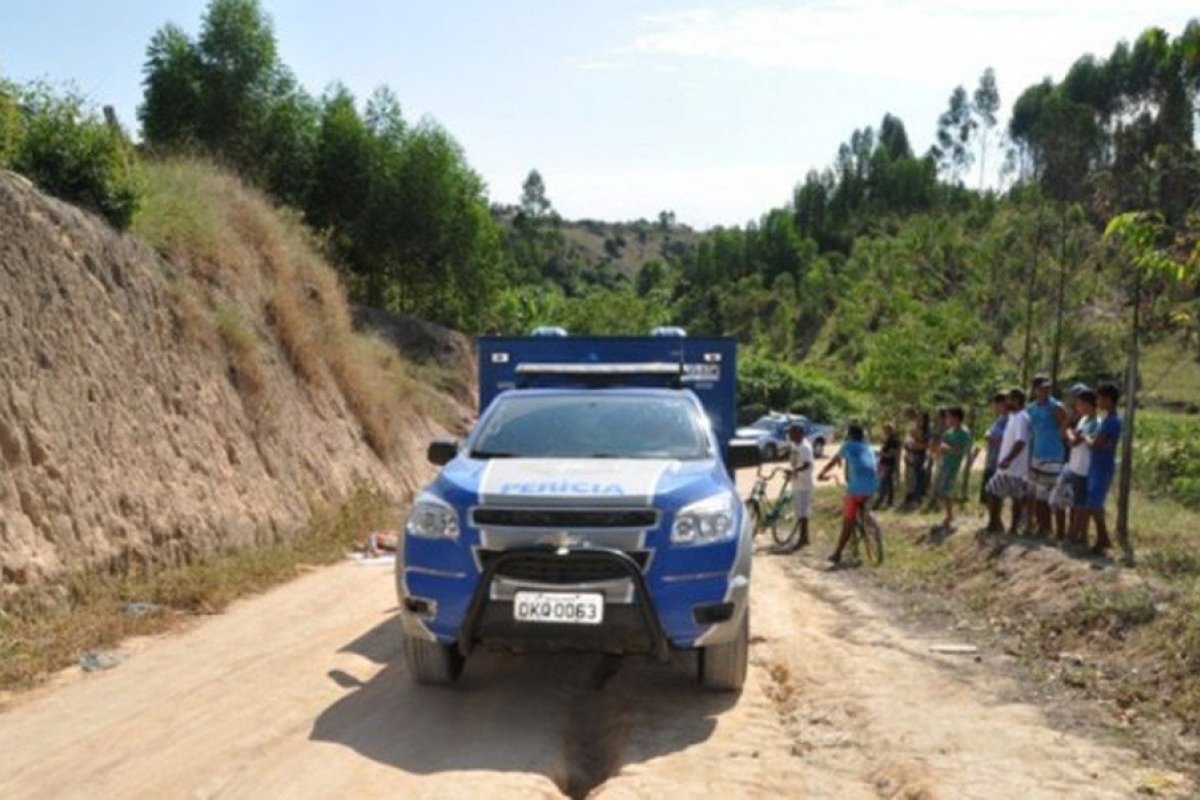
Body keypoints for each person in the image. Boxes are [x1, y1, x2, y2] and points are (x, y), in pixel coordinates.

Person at [818, 423, 879, 566]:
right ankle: (869, 521)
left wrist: (822, 473)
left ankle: (837, 553)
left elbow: (833, 461)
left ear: (850, 435)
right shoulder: (868, 447)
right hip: (873, 486)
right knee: (865, 507)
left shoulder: (847, 445)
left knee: (848, 522)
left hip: (856, 488)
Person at [1026, 375, 1069, 538]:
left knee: (1056, 495)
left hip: (1054, 455)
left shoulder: (1055, 406)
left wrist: (1062, 431)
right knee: (1039, 495)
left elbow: (1065, 421)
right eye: (1041, 388)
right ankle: (1044, 527)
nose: (1045, 391)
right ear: (1035, 389)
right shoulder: (1031, 408)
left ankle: (1060, 533)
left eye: (1047, 388)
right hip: (1037, 455)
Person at [985, 388, 1030, 535]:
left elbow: (1021, 441)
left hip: (1015, 467)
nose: (1006, 402)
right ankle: (995, 524)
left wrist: (1008, 459)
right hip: (1007, 467)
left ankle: (1013, 528)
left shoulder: (1022, 417)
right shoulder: (1013, 416)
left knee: (1014, 498)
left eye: (1009, 399)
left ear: (1016, 400)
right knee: (993, 491)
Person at [1083, 383, 1122, 555]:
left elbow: (1098, 443)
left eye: (1099, 398)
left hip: (1102, 466)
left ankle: (1103, 538)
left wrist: (1087, 439)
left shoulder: (1112, 421)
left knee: (1094, 504)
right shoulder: (1107, 419)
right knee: (1093, 503)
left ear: (1107, 399)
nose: (1097, 401)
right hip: (1097, 465)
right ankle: (1102, 537)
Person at [1060, 387, 1099, 544]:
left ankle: (1077, 536)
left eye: (1079, 404)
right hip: (1075, 466)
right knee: (1075, 504)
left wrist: (1071, 433)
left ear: (1088, 404)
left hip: (1084, 469)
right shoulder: (1083, 420)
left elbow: (1074, 441)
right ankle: (1077, 535)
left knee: (1081, 505)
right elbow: (1071, 438)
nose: (1077, 408)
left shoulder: (1095, 423)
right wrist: (1071, 434)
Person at [933, 407, 971, 532]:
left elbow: (961, 450)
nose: (947, 419)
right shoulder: (948, 432)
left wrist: (948, 448)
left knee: (947, 490)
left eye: (949, 417)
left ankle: (950, 516)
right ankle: (948, 514)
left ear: (956, 418)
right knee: (941, 490)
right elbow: (941, 446)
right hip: (944, 463)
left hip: (954, 466)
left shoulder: (964, 432)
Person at [784, 423, 813, 548]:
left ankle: (804, 538)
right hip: (797, 481)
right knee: (799, 512)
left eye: (792, 433)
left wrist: (794, 471)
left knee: (803, 512)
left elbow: (807, 464)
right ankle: (804, 537)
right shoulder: (795, 445)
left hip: (804, 482)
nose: (789, 435)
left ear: (799, 433)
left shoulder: (805, 447)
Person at [980, 393, 1008, 505]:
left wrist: (994, 439)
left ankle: (996, 519)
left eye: (996, 404)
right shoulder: (999, 419)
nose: (994, 407)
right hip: (991, 459)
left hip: (1000, 461)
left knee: (996, 493)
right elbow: (989, 432)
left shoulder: (1011, 419)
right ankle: (994, 519)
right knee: (987, 492)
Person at [875, 422, 901, 509]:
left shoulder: (894, 440)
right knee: (889, 484)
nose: (885, 431)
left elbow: (892, 454)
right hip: (884, 463)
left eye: (886, 429)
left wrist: (880, 453)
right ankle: (890, 501)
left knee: (884, 484)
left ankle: (879, 502)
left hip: (888, 464)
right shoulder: (888, 439)